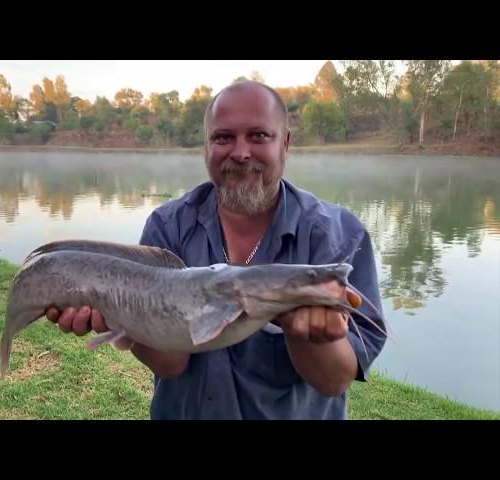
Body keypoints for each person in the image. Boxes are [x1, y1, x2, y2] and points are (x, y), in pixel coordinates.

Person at [46, 81, 387, 420]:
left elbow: (334, 381)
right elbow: (171, 363)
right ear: (206, 147)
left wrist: (307, 337)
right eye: (223, 138)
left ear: (285, 143)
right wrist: (122, 317)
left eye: (258, 136)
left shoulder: (338, 235)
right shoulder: (168, 226)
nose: (240, 153)